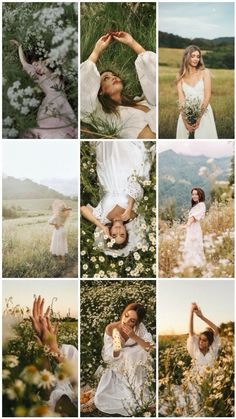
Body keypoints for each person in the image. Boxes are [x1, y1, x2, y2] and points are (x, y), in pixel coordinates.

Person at [80, 141, 153, 257]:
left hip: (107, 174)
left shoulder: (103, 218)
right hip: (127, 173)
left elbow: (83, 209)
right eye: (122, 235)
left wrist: (102, 227)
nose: (118, 231)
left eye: (114, 235)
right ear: (126, 232)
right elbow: (135, 187)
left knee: (107, 144)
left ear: (110, 232)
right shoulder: (132, 215)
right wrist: (129, 207)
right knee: (124, 145)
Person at [80, 31, 156, 139]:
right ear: (99, 90)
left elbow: (153, 72)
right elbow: (83, 83)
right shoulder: (103, 113)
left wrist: (132, 43)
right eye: (106, 78)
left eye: (114, 75)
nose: (113, 77)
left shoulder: (142, 100)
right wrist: (96, 51)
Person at [159, 303, 220, 416]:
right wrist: (191, 313)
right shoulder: (196, 349)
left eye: (204, 340)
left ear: (210, 342)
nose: (201, 342)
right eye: (200, 339)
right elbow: (191, 332)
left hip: (208, 380)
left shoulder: (213, 350)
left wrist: (202, 317)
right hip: (194, 378)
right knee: (190, 401)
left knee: (203, 402)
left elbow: (216, 329)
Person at [94, 303, 154, 416]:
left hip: (136, 360)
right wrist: (118, 346)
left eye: (132, 320)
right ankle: (133, 392)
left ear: (137, 323)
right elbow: (110, 357)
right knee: (101, 398)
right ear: (123, 313)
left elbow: (149, 347)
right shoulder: (111, 328)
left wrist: (133, 336)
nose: (126, 321)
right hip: (119, 361)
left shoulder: (139, 328)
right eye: (126, 316)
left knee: (138, 351)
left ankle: (140, 391)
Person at [10, 40, 77, 139]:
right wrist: (19, 46)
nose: (35, 68)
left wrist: (47, 61)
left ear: (42, 61)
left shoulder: (57, 72)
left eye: (36, 64)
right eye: (34, 67)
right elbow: (24, 63)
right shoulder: (39, 77)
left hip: (62, 103)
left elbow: (64, 56)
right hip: (50, 103)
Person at [30, 295, 78, 415]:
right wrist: (55, 352)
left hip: (57, 383)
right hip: (71, 380)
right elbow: (78, 385)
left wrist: (44, 353)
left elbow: (47, 394)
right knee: (68, 351)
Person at [176, 45, 218, 139]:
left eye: (198, 56)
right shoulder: (180, 76)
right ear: (186, 57)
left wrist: (199, 117)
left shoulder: (205, 72)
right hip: (186, 113)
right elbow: (181, 99)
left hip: (203, 112)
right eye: (193, 56)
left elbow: (207, 96)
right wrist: (185, 120)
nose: (196, 59)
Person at [181, 187, 206, 269]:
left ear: (200, 195)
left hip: (195, 229)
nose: (194, 196)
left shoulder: (201, 205)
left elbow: (194, 217)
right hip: (192, 229)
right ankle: (191, 267)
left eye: (196, 194)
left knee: (195, 247)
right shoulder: (196, 205)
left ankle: (198, 267)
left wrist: (186, 225)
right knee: (190, 246)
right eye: (193, 194)